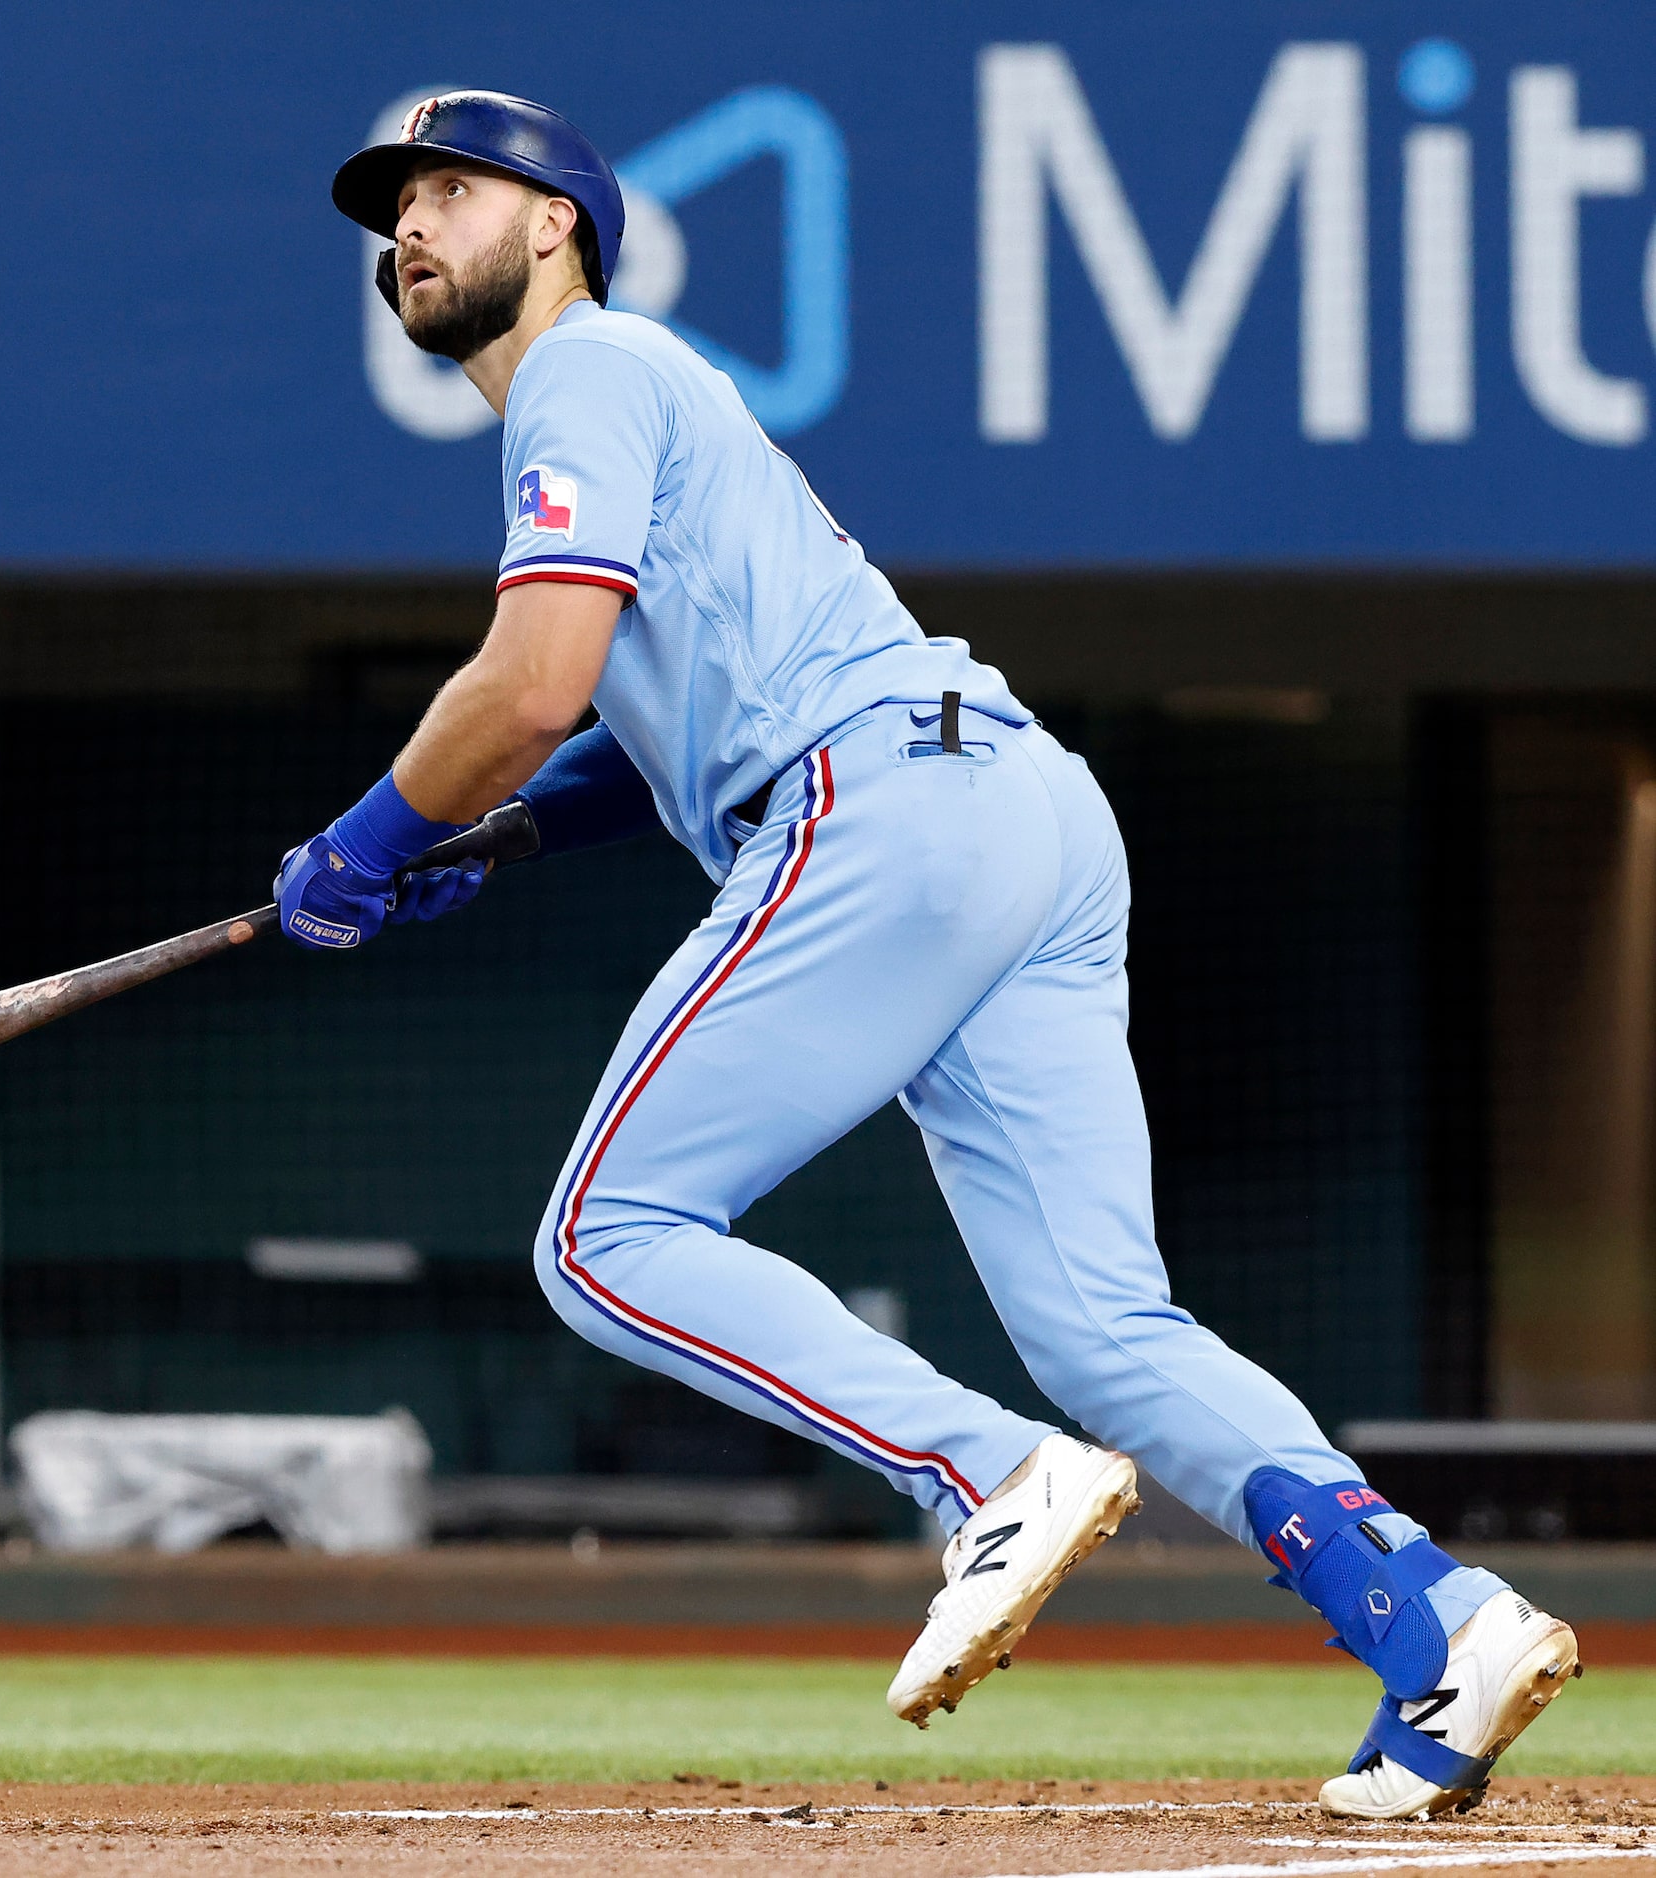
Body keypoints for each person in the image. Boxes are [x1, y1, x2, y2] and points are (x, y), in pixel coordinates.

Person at [287, 90, 1579, 1817]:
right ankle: (1442, 1620)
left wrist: (365, 842)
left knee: (607, 1238)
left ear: (557, 227)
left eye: (456, 189)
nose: (416, 227)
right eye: (401, 207)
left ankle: (980, 1474)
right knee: (1109, 1324)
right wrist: (493, 830)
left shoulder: (585, 370)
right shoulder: (660, 399)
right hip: (1011, 799)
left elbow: (527, 685)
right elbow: (616, 724)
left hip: (881, 801)